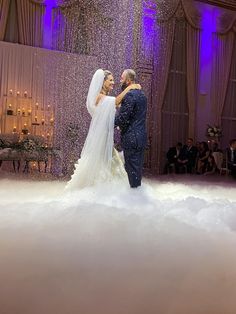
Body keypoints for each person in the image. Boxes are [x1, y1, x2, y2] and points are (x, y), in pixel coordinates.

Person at [66, 69, 140, 190]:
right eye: (110, 80)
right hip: (100, 139)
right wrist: (130, 88)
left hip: (105, 138)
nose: (113, 82)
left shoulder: (104, 97)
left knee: (111, 164)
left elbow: (116, 105)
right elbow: (116, 101)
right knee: (101, 167)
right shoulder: (99, 97)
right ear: (102, 82)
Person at [115, 69, 147, 188]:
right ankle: (137, 197)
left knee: (131, 171)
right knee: (137, 170)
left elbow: (123, 118)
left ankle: (135, 201)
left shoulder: (129, 95)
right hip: (141, 138)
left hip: (131, 138)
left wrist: (108, 122)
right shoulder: (142, 95)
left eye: (122, 78)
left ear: (128, 81)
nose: (120, 81)